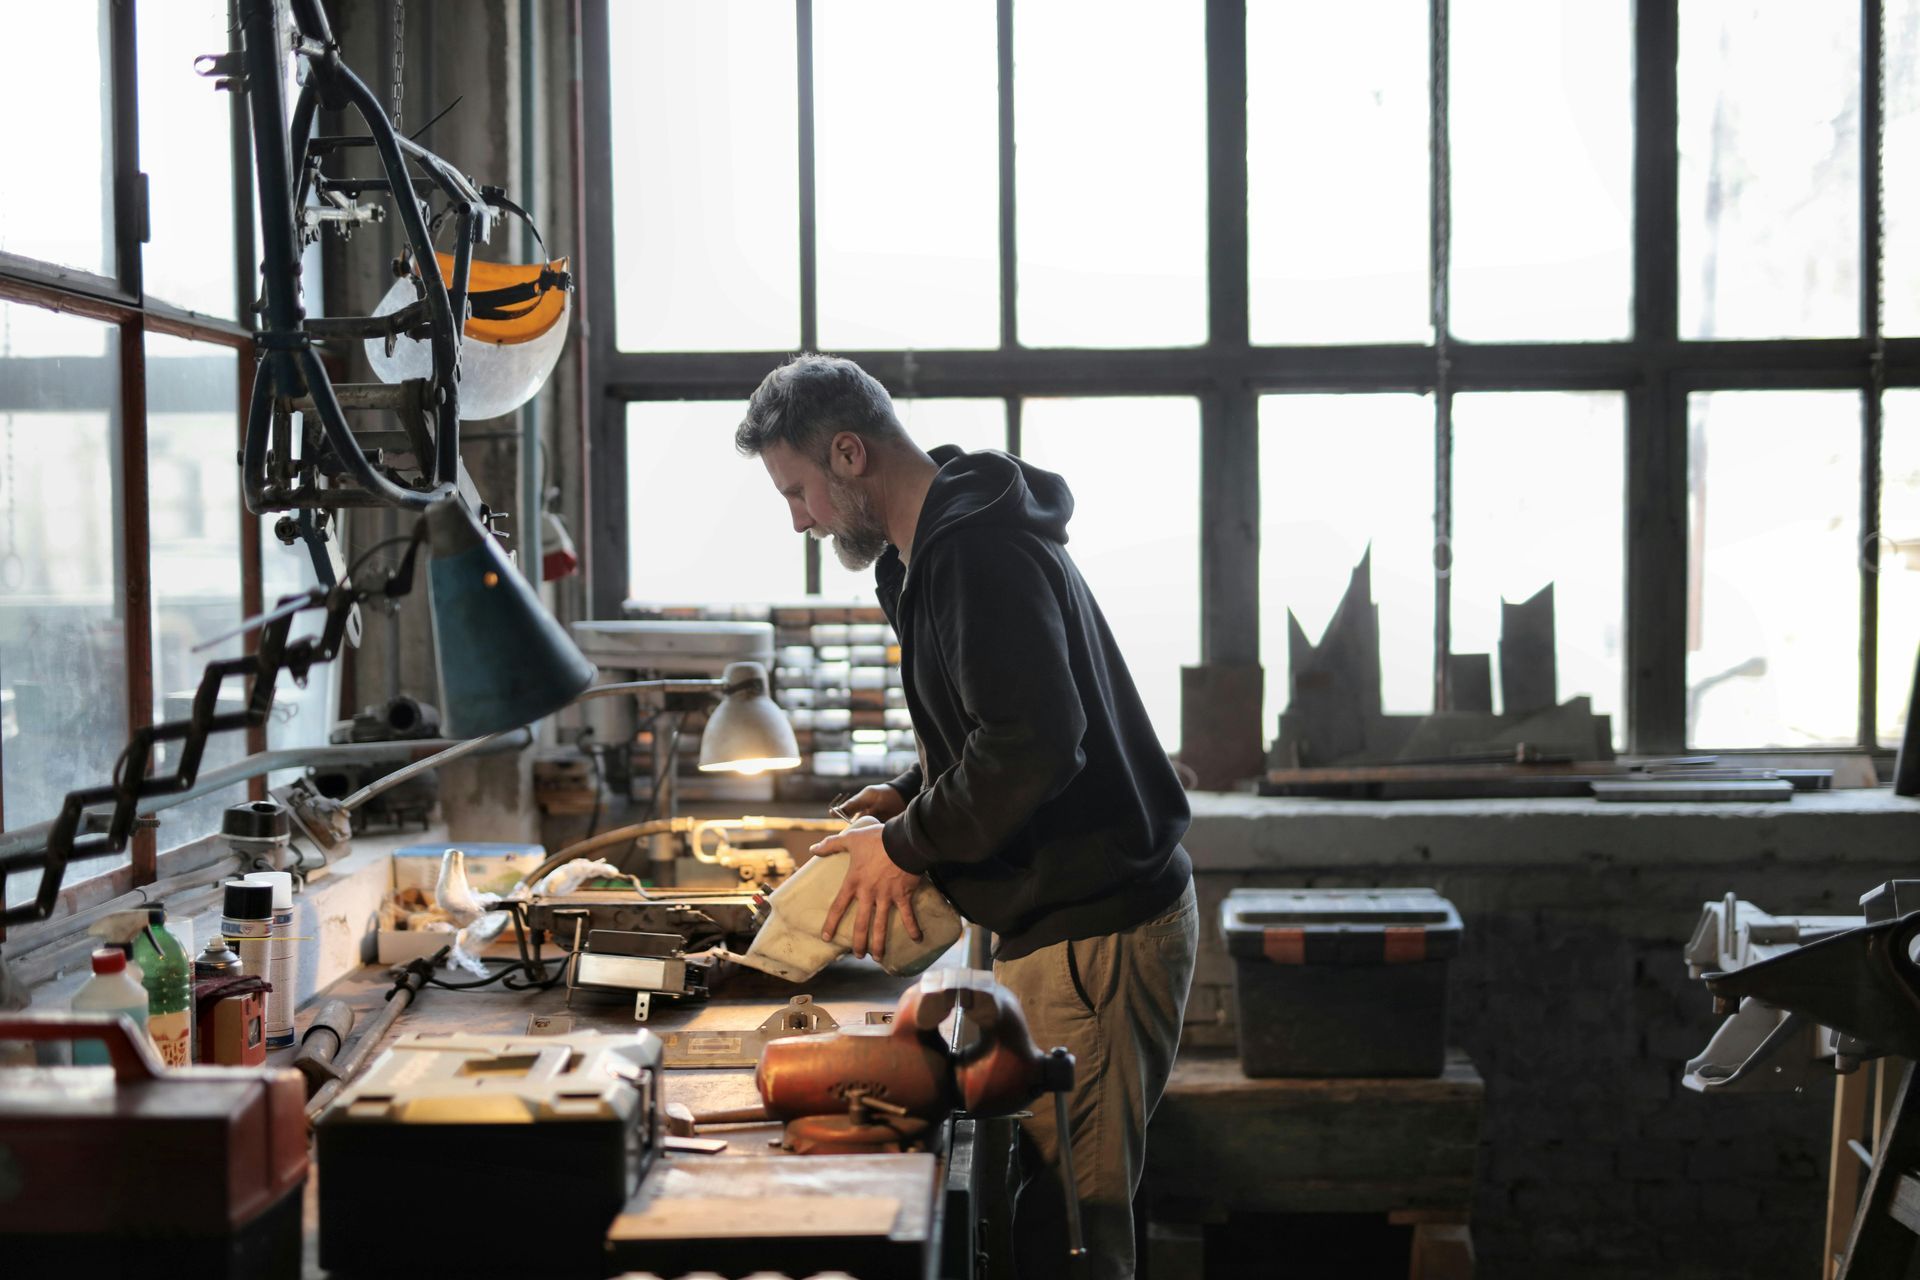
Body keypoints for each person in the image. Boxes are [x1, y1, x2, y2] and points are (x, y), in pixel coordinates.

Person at [735, 353, 1198, 1279]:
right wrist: (910, 794)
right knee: (1032, 1208)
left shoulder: (975, 551)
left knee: (1075, 1227)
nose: (800, 520)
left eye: (798, 492)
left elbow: (1033, 742)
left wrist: (904, 848)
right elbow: (992, 718)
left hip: (1094, 928)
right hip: (1049, 920)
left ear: (849, 454)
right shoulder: (930, 552)